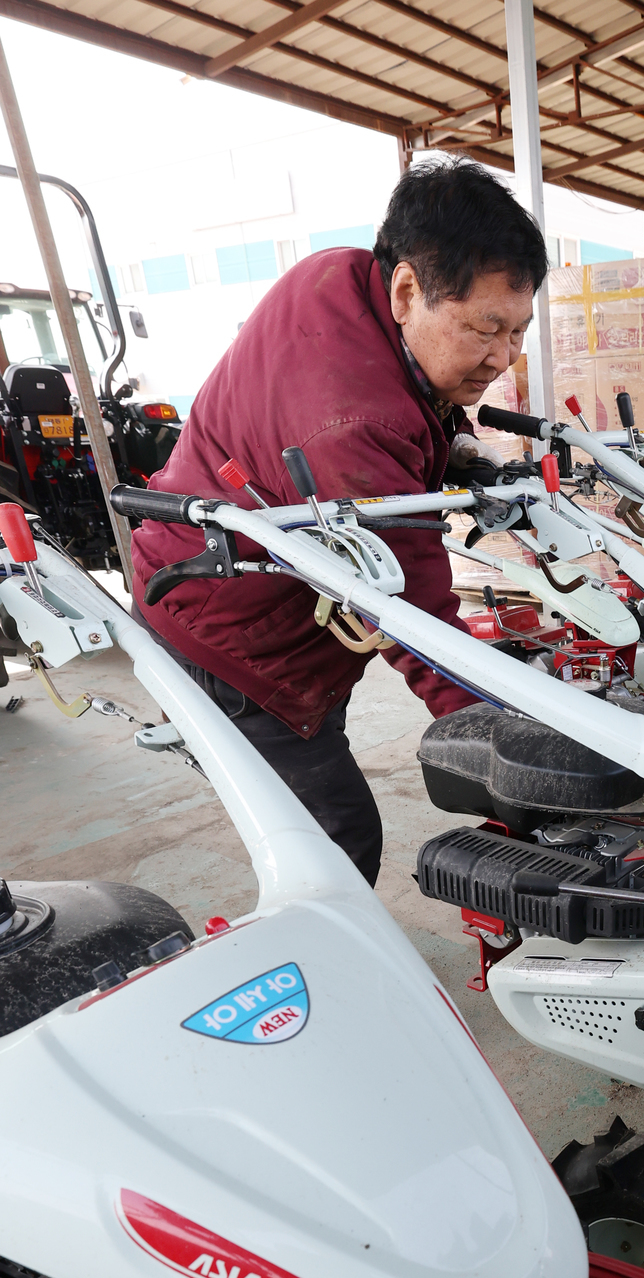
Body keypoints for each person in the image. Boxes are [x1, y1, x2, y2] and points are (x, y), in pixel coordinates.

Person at [130, 158, 548, 885]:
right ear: (409, 289)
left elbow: (387, 409)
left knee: (320, 782)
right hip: (226, 630)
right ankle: (306, 985)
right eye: (487, 329)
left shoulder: (344, 276)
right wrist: (513, 757)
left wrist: (449, 448)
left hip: (259, 594)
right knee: (335, 839)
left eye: (518, 332)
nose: (504, 359)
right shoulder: (352, 424)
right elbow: (412, 618)